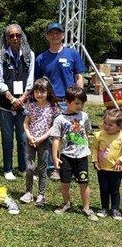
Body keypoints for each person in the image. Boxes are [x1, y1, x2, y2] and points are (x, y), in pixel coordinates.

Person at [35, 22, 86, 180]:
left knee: (73, 134)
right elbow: (37, 82)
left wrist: (79, 98)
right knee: (53, 136)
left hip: (69, 101)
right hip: (50, 102)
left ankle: (74, 166)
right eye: (52, 33)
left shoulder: (72, 54)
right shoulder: (41, 58)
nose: (55, 35)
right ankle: (54, 167)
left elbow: (79, 76)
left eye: (58, 33)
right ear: (47, 36)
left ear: (63, 35)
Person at [0, 23, 35, 180]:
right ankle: (8, 168)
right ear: (6, 38)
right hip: (6, 105)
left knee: (23, 138)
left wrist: (22, 98)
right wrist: (12, 99)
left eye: (18, 35)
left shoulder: (29, 54)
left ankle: (23, 168)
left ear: (22, 35)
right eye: (11, 35)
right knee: (7, 137)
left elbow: (31, 79)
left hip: (24, 103)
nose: (15, 38)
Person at [51, 86, 98, 221]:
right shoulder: (60, 119)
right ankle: (66, 203)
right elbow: (56, 139)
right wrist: (55, 156)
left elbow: (87, 132)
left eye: (82, 103)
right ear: (67, 101)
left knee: (84, 182)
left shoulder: (84, 116)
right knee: (65, 183)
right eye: (77, 103)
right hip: (66, 156)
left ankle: (87, 208)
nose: (80, 106)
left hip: (82, 156)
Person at [20, 78, 60, 206]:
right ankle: (28, 193)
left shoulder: (53, 107)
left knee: (42, 168)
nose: (39, 94)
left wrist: (42, 138)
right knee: (30, 167)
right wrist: (30, 136)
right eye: (36, 91)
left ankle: (41, 194)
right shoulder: (30, 106)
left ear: (48, 92)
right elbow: (26, 123)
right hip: (30, 141)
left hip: (44, 142)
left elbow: (54, 126)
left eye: (42, 92)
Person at [91, 109, 122, 220]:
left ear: (119, 126)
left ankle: (115, 209)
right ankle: (104, 208)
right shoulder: (98, 135)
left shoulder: (121, 136)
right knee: (103, 189)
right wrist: (95, 160)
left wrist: (120, 160)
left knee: (114, 189)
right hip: (102, 168)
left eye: (111, 125)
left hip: (116, 169)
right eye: (105, 123)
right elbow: (94, 148)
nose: (106, 126)